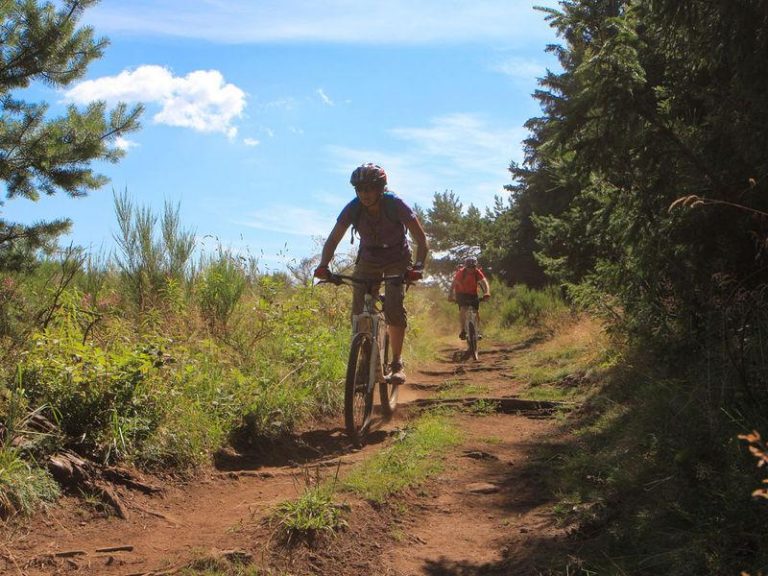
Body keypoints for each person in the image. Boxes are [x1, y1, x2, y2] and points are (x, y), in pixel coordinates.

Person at [313, 163, 429, 384]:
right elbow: (333, 238)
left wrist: (418, 267)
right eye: (360, 189)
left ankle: (396, 363)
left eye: (370, 188)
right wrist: (323, 265)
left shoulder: (395, 205)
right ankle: (366, 362)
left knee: (394, 305)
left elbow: (421, 239)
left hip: (397, 258)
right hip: (369, 259)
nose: (365, 194)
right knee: (358, 314)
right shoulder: (353, 208)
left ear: (381, 188)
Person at [449, 256, 490, 340]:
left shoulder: (477, 272)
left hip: (472, 293)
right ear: (465, 267)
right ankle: (463, 330)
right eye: (469, 267)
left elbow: (485, 282)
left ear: (476, 266)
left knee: (476, 311)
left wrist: (487, 292)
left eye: (473, 267)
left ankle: (477, 330)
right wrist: (450, 295)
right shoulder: (461, 273)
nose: (471, 269)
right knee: (463, 309)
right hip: (461, 293)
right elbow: (453, 284)